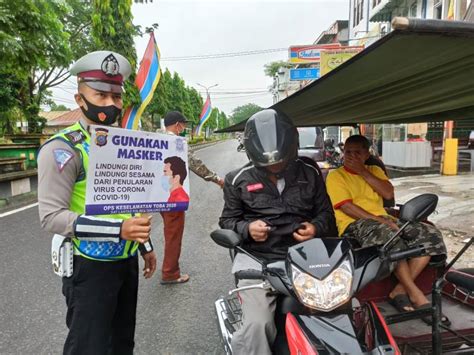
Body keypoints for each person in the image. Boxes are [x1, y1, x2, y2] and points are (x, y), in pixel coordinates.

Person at [37, 51, 157, 355]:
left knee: (121, 343)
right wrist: (120, 231)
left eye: (116, 96)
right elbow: (51, 217)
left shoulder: (121, 143)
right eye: (100, 94)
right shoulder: (63, 149)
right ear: (80, 99)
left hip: (125, 262)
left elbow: (128, 203)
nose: (110, 103)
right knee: (88, 346)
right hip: (89, 265)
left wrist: (145, 247)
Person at [219, 109, 337, 355]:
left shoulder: (310, 171)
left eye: (280, 161)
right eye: (268, 164)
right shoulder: (237, 179)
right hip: (259, 262)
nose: (275, 167)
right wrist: (247, 229)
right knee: (257, 324)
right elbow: (228, 221)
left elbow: (326, 215)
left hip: (308, 260)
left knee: (340, 311)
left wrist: (316, 227)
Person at [325, 135, 447, 316]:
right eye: (348, 152)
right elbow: (347, 207)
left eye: (357, 153)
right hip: (354, 224)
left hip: (383, 219)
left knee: (430, 234)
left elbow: (388, 193)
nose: (351, 156)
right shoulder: (335, 176)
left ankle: (399, 290)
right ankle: (416, 294)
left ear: (366, 154)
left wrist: (363, 172)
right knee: (391, 237)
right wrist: (380, 220)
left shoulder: (374, 170)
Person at [159, 111, 224, 284]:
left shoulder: (155, 140)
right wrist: (217, 179)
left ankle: (169, 268)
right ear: (177, 124)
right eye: (184, 124)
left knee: (169, 232)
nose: (185, 128)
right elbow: (195, 164)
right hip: (174, 197)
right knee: (173, 234)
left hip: (159, 196)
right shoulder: (175, 142)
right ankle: (170, 273)